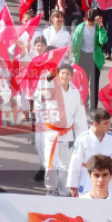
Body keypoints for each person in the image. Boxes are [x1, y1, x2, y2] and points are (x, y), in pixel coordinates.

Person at [38, 63, 88, 196]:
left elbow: (79, 116)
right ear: (58, 75)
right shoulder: (52, 87)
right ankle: (50, 189)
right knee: (51, 163)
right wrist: (50, 76)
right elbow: (45, 88)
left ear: (72, 76)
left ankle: (64, 191)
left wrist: (81, 137)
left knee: (66, 165)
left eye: (68, 73)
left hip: (66, 133)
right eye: (62, 73)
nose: (65, 75)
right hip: (51, 133)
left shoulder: (75, 92)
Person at [68, 108, 112, 196]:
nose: (109, 126)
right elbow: (75, 162)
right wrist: (73, 185)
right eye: (105, 123)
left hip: (105, 177)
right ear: (96, 124)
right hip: (87, 177)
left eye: (109, 122)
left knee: (105, 204)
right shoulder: (83, 138)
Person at [71, 8, 107, 110]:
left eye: (93, 20)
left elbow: (103, 41)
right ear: (86, 19)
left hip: (95, 58)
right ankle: (83, 104)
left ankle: (93, 110)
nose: (90, 22)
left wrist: (100, 26)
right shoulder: (80, 28)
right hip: (83, 57)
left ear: (97, 19)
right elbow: (75, 43)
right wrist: (73, 55)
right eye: (89, 19)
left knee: (94, 85)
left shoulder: (99, 28)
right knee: (83, 83)